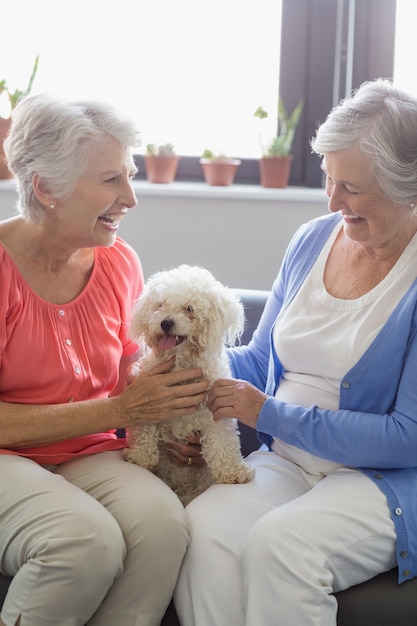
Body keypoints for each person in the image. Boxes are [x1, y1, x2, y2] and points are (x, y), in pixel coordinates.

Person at [174, 78, 417, 625]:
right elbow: (259, 363)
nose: (333, 202)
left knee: (282, 548)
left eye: (351, 187)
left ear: (407, 184)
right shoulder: (312, 238)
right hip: (286, 460)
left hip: (379, 479)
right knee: (206, 528)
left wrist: (267, 413)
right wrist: (190, 368)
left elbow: (409, 437)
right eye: (330, 180)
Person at [0, 93, 209, 626]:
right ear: (47, 188)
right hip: (6, 456)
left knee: (164, 526)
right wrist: (122, 411)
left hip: (90, 452)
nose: (131, 199)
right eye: (112, 179)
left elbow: (132, 375)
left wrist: (170, 426)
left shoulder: (119, 262)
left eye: (131, 175)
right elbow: (122, 404)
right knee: (84, 540)